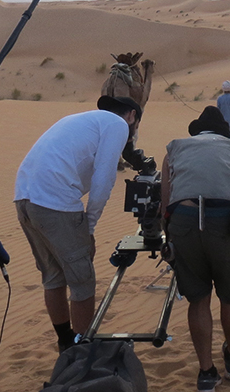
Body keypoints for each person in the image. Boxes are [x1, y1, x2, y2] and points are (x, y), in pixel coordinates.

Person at [13, 95, 142, 352]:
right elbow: (104, 180)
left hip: (24, 196)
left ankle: (66, 343)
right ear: (132, 116)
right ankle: (83, 349)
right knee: (82, 281)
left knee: (53, 276)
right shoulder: (118, 124)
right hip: (55, 201)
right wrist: (89, 227)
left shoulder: (80, 119)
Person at [160, 106, 230, 391]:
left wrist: (171, 231)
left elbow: (166, 200)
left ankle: (205, 372)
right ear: (224, 134)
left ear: (197, 131)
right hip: (225, 224)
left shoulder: (174, 149)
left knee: (198, 299)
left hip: (185, 222)